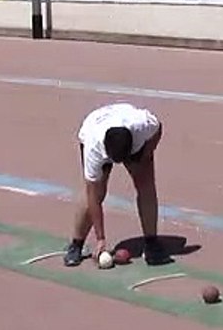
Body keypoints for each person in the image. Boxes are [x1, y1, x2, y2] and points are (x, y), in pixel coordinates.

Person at [64, 103, 167, 267]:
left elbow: (158, 128)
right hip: (94, 123)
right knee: (96, 192)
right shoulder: (94, 147)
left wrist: (146, 153)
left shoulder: (143, 125)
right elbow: (93, 198)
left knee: (145, 185)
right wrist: (101, 238)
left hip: (131, 138)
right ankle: (76, 244)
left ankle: (152, 242)